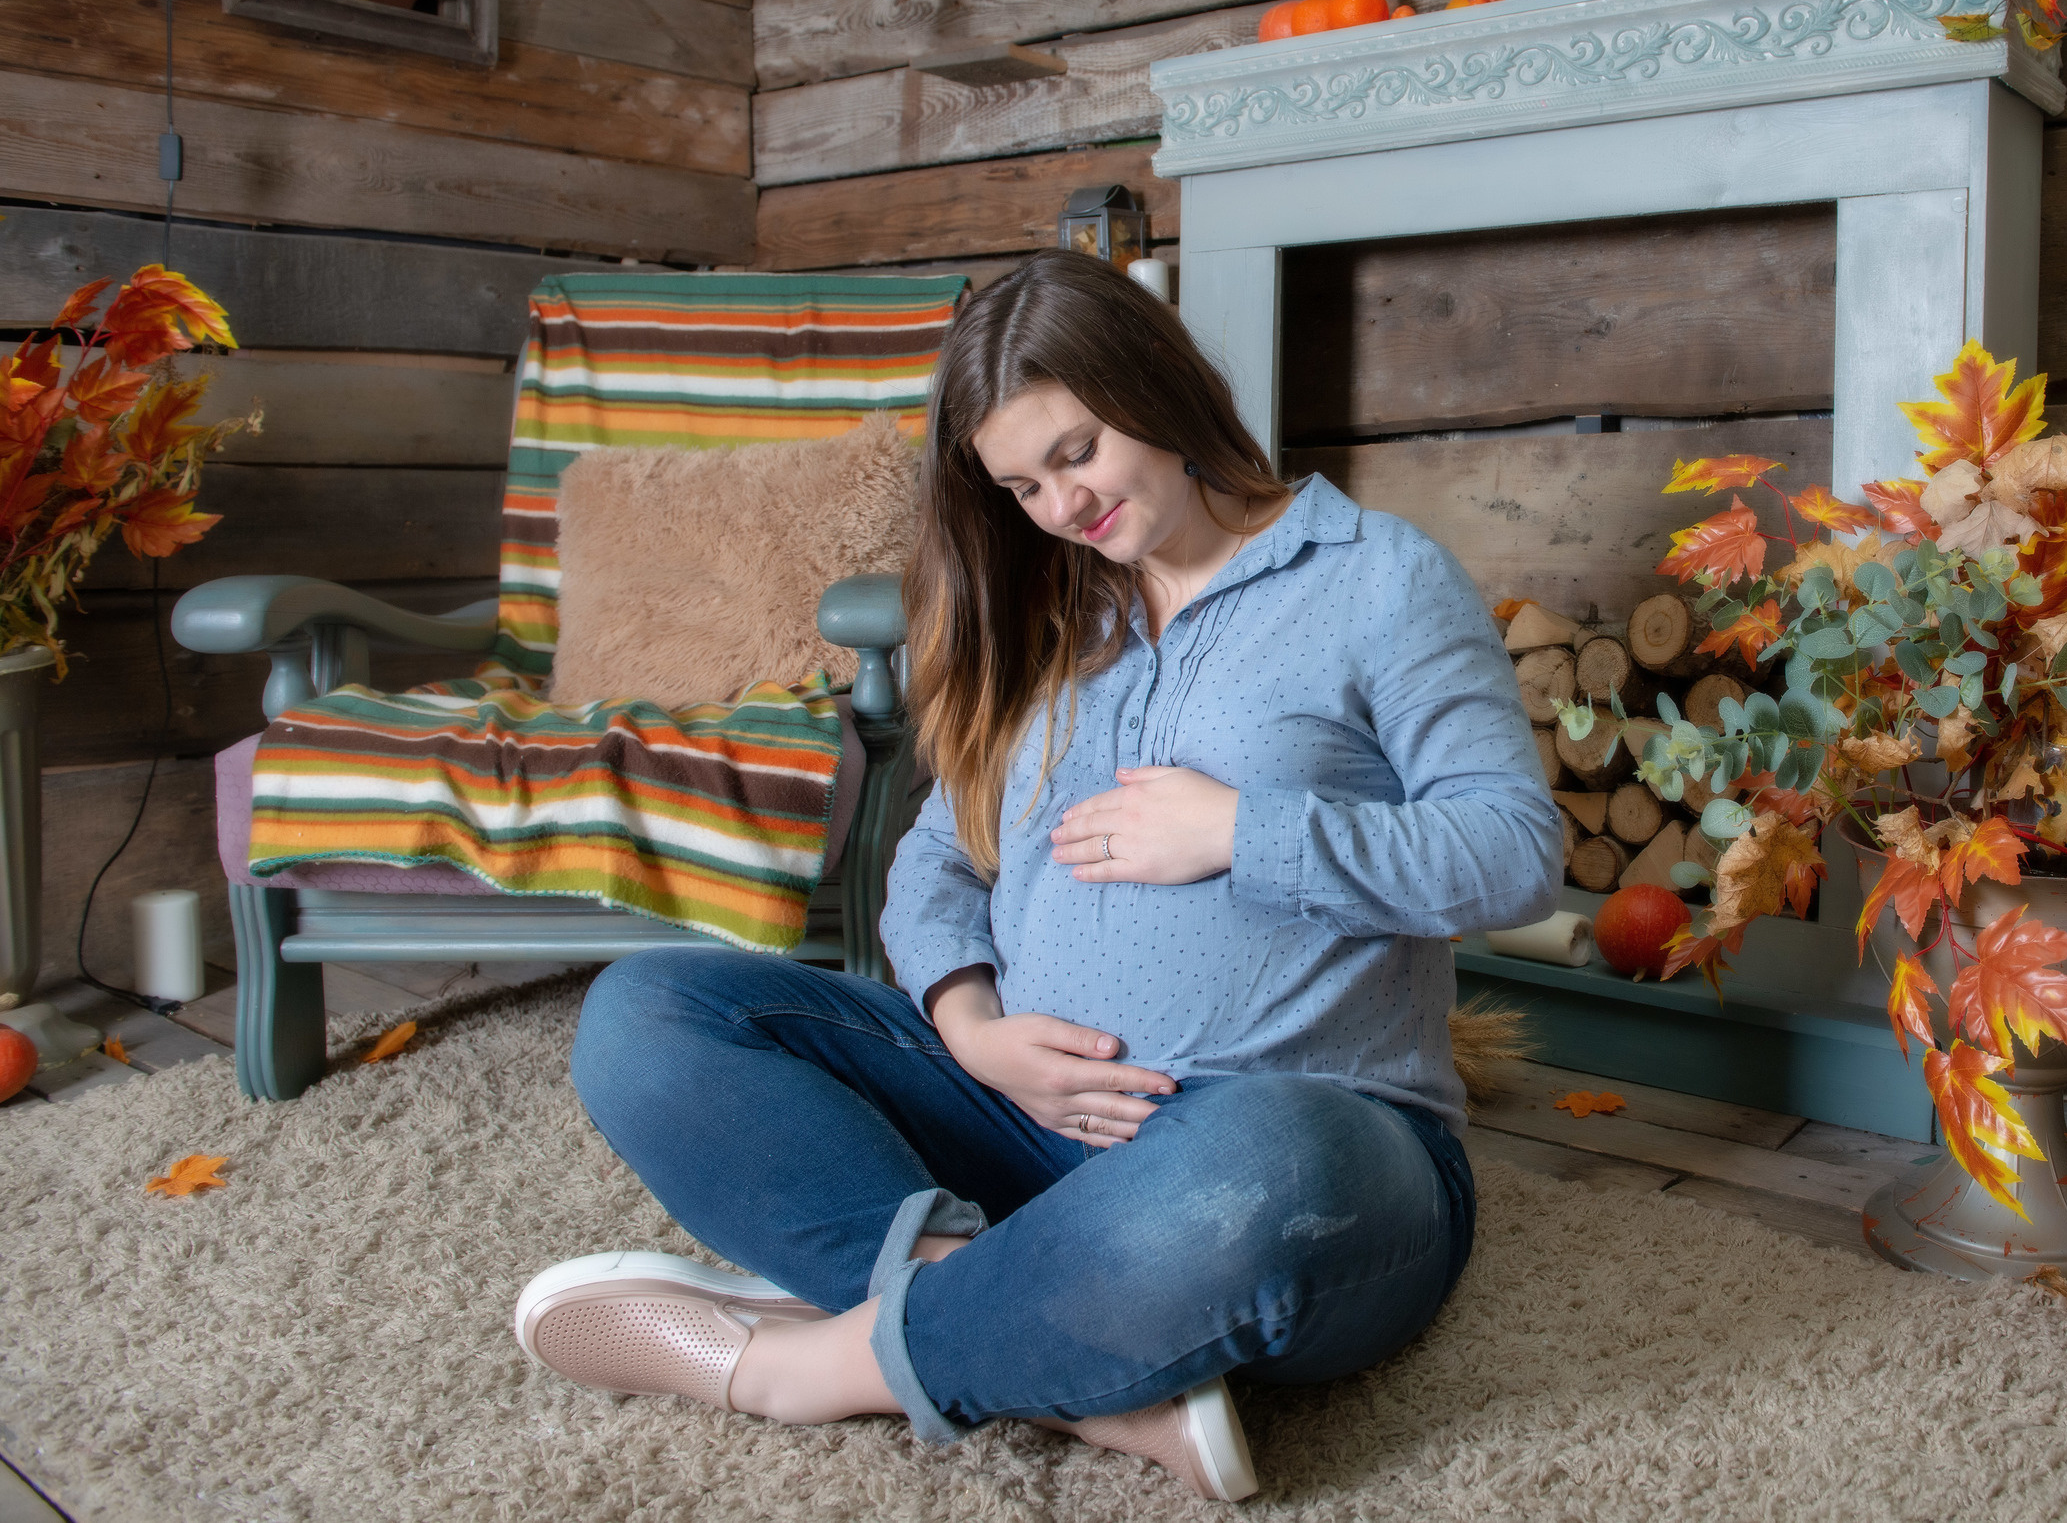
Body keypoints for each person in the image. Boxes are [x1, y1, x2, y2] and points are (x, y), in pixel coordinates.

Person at [513, 249, 1561, 1502]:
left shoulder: (1375, 577)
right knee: (650, 1012)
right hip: (1022, 1123)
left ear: (1158, 387)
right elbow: (937, 857)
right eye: (1021, 484)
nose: (1060, 505)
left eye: (1077, 453)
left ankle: (800, 1366)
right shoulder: (1057, 619)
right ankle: (1055, 1349)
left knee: (1278, 1164)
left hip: (1298, 1140)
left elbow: (1513, 851)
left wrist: (1241, 830)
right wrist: (970, 1027)